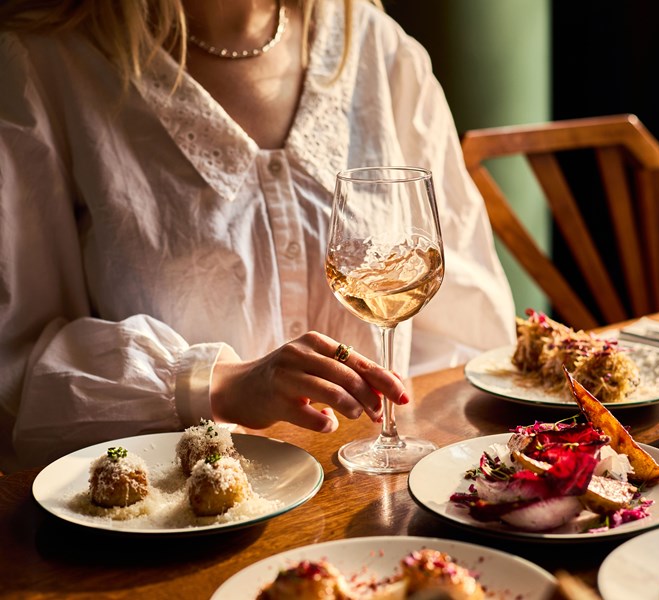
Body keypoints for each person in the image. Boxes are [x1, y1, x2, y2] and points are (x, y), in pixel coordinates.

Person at [0, 0, 516, 473]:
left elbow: (465, 339)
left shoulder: (380, 48)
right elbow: (13, 371)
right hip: (170, 534)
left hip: (373, 503)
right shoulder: (44, 64)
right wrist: (212, 385)